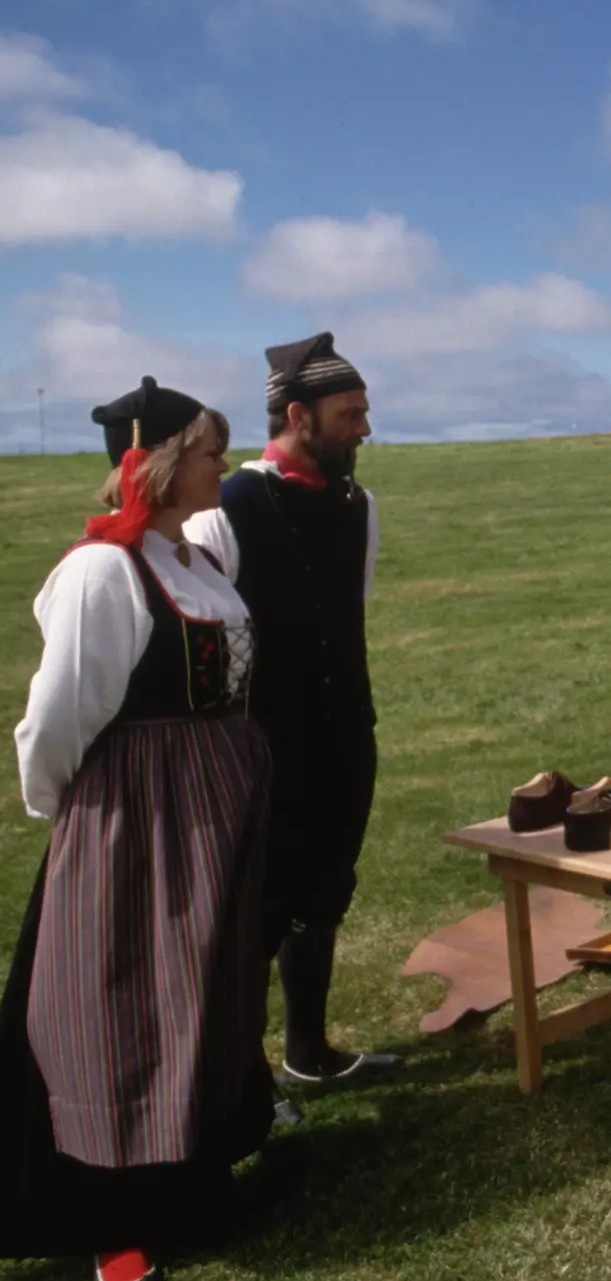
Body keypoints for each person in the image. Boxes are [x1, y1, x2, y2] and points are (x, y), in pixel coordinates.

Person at [3, 379, 275, 1281]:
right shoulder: (102, 573)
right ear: (152, 461)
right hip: (140, 816)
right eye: (206, 449)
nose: (220, 465)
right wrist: (71, 822)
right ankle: (113, 1228)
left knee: (203, 987)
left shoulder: (193, 557)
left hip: (214, 805)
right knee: (120, 1007)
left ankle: (191, 1184)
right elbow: (57, 719)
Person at [185, 333, 393, 1087]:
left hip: (342, 737)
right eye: (351, 414)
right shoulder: (224, 510)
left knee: (326, 889)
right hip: (261, 748)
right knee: (256, 910)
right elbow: (211, 645)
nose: (365, 428)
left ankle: (309, 1054)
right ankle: (235, 1087)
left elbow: (347, 614)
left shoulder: (358, 507)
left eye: (365, 412)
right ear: (298, 417)